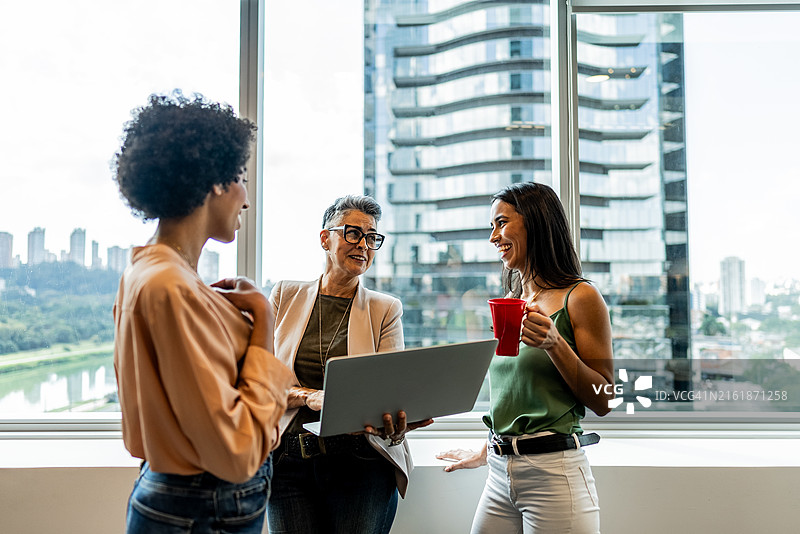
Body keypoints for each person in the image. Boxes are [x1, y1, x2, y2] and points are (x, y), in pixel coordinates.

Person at [112, 92, 293, 534]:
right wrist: (264, 321)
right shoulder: (170, 286)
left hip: (187, 499)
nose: (246, 199)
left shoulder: (154, 271)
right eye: (241, 178)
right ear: (215, 180)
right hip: (204, 506)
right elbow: (238, 452)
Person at [437, 182, 615, 533]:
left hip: (555, 473)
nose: (493, 237)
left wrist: (555, 344)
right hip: (499, 476)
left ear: (535, 222)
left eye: (501, 223)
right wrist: (487, 448)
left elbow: (605, 399)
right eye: (492, 226)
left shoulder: (580, 297)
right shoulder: (511, 301)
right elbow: (515, 392)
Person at [266, 194, 433, 534]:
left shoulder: (385, 309)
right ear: (325, 238)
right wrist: (308, 397)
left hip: (361, 464)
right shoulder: (285, 295)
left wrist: (396, 422)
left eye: (372, 237)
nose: (364, 245)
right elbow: (258, 382)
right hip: (288, 463)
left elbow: (389, 391)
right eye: (353, 233)